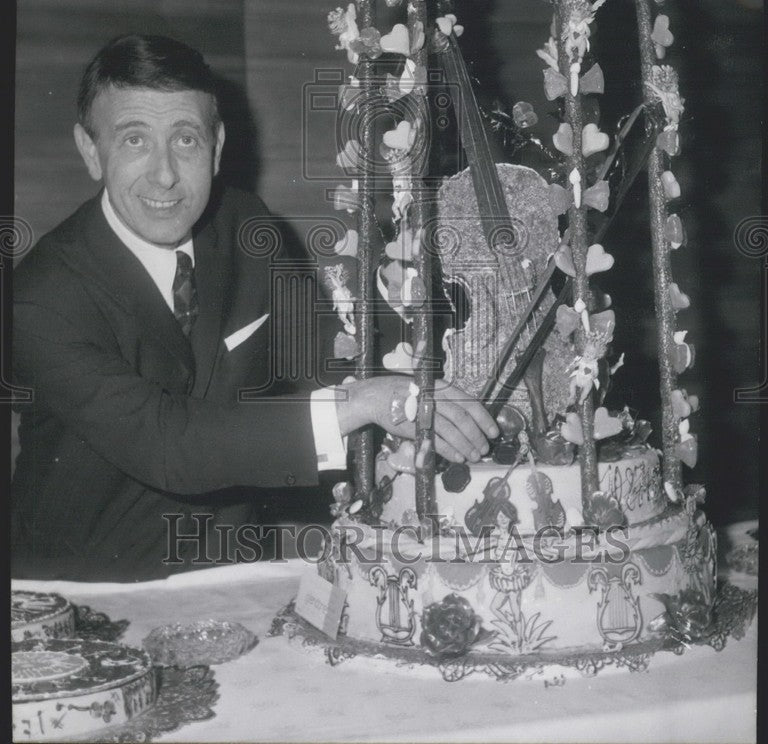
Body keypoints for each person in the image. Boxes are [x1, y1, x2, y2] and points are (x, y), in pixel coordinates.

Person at [12, 34, 498, 581]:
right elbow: (169, 443)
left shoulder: (247, 225)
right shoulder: (40, 296)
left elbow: (328, 360)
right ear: (89, 149)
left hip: (233, 576)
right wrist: (363, 402)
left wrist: (429, 383)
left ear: (217, 146)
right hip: (84, 596)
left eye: (186, 140)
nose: (166, 175)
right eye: (134, 141)